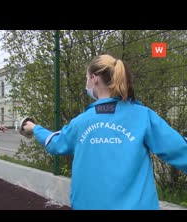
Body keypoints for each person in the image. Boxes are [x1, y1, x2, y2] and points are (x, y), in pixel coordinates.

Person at [23, 54, 187, 210]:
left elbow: (55, 143)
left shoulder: (81, 122)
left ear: (94, 78)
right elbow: (179, 150)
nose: (86, 83)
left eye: (87, 78)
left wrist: (33, 128)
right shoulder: (143, 116)